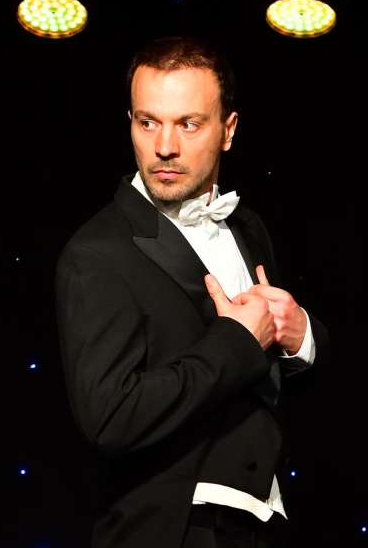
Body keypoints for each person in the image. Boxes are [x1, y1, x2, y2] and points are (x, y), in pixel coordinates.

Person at [55, 35, 331, 548]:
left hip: (261, 525)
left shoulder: (249, 228)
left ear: (228, 130)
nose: (164, 146)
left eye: (188, 124)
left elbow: (271, 390)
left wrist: (301, 338)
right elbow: (109, 420)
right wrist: (237, 342)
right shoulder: (96, 253)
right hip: (170, 529)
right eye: (148, 122)